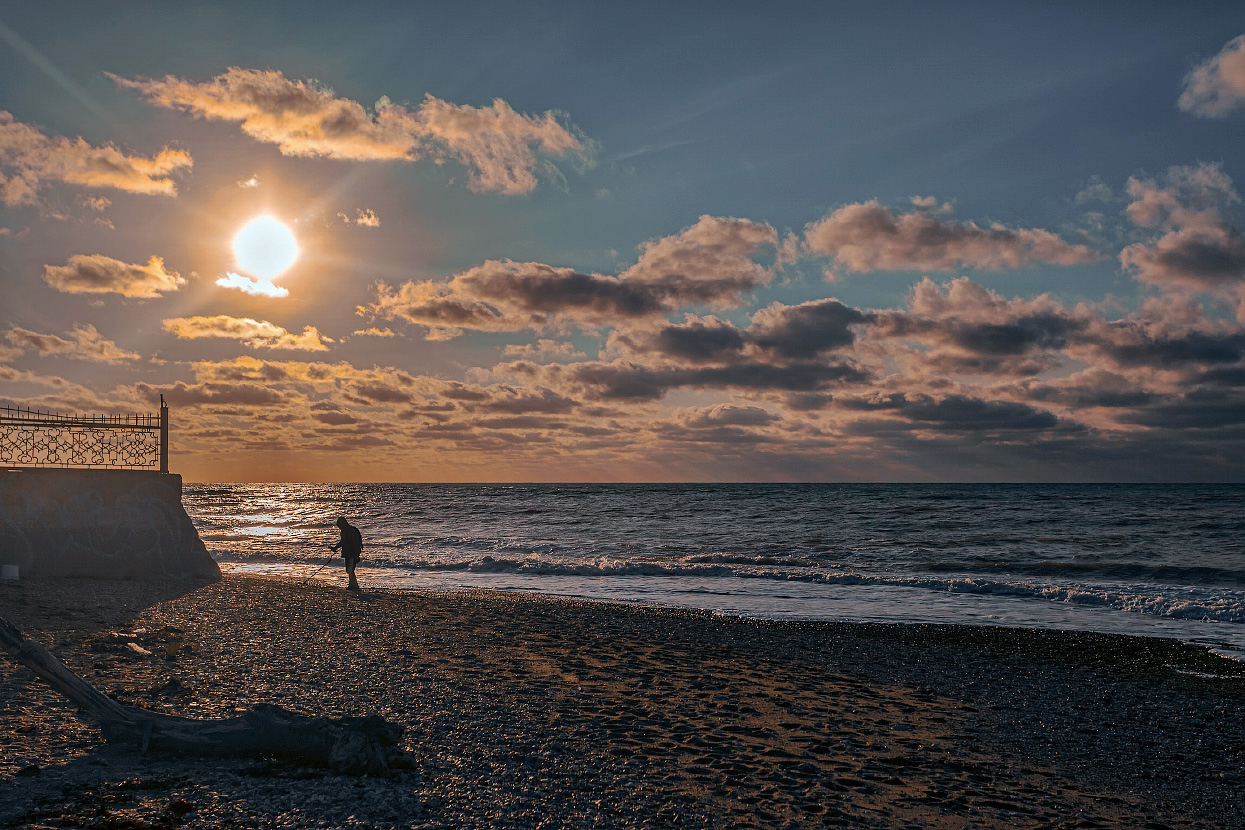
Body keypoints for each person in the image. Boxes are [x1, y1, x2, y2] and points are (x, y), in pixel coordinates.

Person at [330, 517, 363, 591]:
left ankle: (353, 585)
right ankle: (353, 584)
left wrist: (357, 555)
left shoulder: (351, 531)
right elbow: (343, 542)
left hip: (352, 553)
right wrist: (335, 547)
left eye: (340, 525)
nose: (340, 528)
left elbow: (355, 544)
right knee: (349, 569)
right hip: (347, 553)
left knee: (350, 569)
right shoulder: (344, 531)